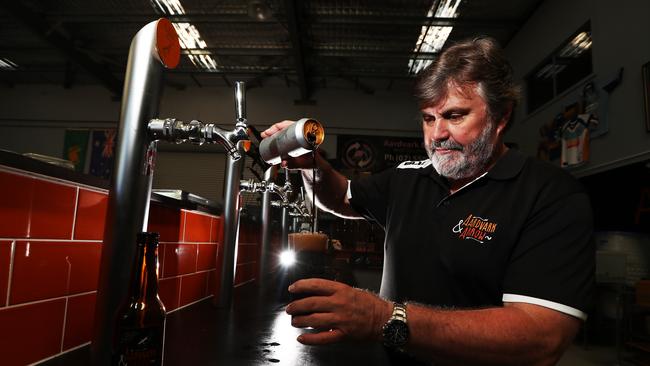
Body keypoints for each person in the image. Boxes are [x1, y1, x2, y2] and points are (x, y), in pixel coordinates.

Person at [261, 37, 594, 365]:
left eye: (454, 115)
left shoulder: (549, 195)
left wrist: (384, 318)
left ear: (501, 117)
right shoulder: (408, 177)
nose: (437, 134)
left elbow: (540, 338)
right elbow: (341, 198)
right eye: (428, 118)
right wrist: (312, 164)